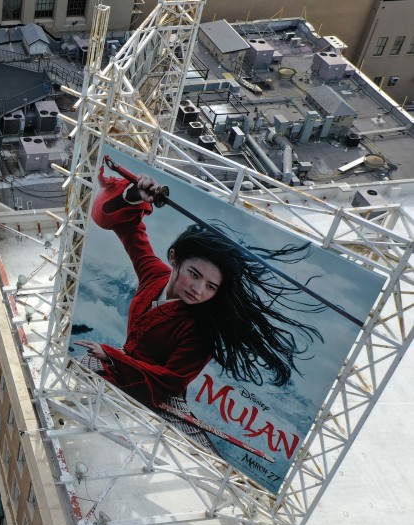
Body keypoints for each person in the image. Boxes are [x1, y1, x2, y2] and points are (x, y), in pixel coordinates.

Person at [74, 164, 323, 414]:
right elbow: (120, 224)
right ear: (174, 258)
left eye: (211, 286)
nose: (198, 290)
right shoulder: (154, 274)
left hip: (158, 400)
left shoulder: (202, 329)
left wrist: (114, 357)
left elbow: (171, 381)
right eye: (194, 274)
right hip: (119, 370)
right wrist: (133, 195)